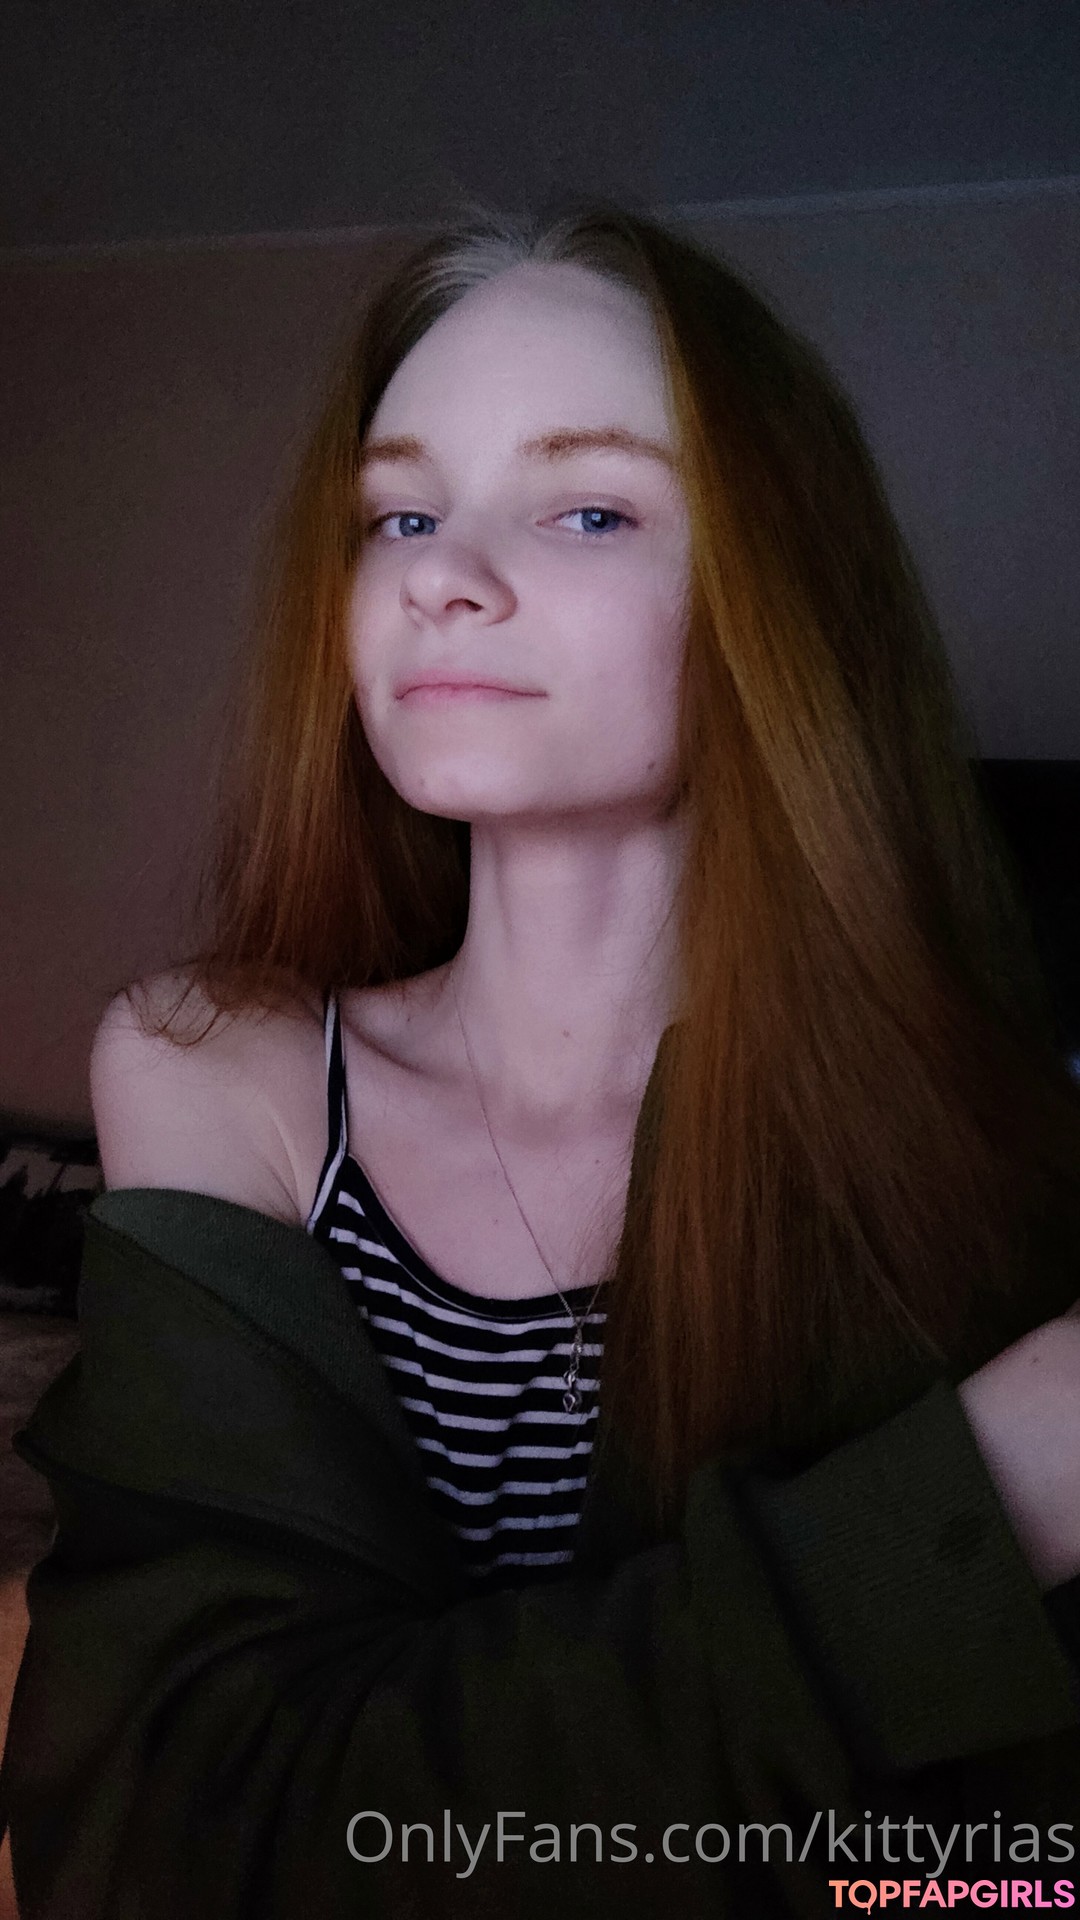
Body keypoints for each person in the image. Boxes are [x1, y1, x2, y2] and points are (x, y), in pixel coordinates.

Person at [3, 198, 1080, 1918]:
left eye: (588, 509)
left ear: (776, 594)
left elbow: (986, 1869)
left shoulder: (975, 1139)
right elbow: (177, 1844)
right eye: (401, 512)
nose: (441, 573)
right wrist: (999, 1486)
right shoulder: (215, 1073)